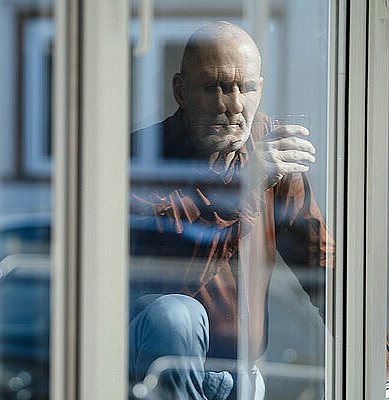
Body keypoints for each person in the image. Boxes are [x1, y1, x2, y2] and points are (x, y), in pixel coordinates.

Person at [129, 21, 333, 400]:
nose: (235, 105)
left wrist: (381, 364)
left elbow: (322, 268)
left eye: (247, 87)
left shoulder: (270, 148)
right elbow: (169, 280)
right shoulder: (142, 157)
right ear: (181, 91)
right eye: (215, 87)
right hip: (155, 371)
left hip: (242, 369)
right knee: (176, 314)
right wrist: (247, 188)